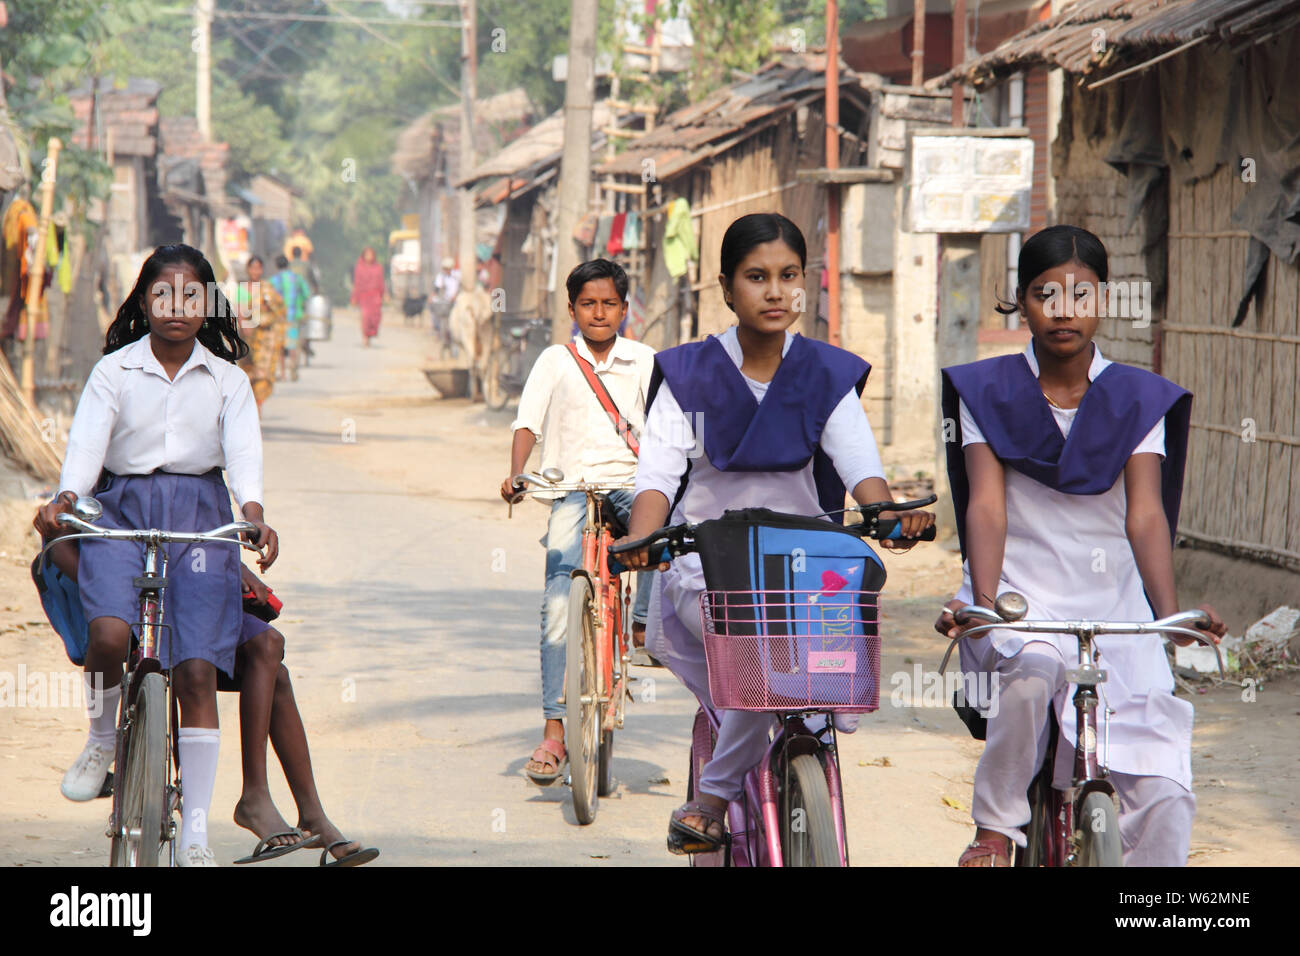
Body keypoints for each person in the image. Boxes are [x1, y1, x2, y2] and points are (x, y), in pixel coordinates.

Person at [616, 213, 932, 854]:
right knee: (760, 663)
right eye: (757, 277)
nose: (774, 291)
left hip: (804, 564)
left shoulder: (825, 373)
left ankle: (747, 796)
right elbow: (656, 478)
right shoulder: (690, 375)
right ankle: (713, 795)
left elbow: (861, 469)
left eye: (788, 276)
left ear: (804, 286)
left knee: (801, 655)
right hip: (709, 566)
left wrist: (890, 514)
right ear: (728, 289)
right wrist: (641, 542)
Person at [935, 224, 1226, 867]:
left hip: (1115, 606)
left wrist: (1169, 619)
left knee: (1165, 789)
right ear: (1020, 300)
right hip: (1020, 596)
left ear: (1104, 301)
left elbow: (1146, 517)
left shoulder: (1137, 397)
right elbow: (986, 504)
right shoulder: (989, 391)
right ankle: (995, 828)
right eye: (1045, 294)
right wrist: (981, 606)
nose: (1064, 310)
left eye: (1081, 294)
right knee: (1034, 676)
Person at [33, 243, 278, 868]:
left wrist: (251, 514)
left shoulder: (227, 381)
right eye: (163, 294)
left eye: (192, 294)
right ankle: (98, 739)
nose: (177, 306)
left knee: (196, 670)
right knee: (111, 636)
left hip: (201, 519)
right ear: (145, 301)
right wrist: (68, 496)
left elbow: (244, 457)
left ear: (208, 304)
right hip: (121, 513)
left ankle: (195, 832)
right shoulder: (114, 371)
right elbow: (87, 448)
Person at [499, 258, 657, 786]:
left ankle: (642, 628)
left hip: (628, 483)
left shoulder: (645, 361)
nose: (599, 312)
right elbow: (528, 423)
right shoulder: (554, 361)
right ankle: (552, 733)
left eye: (609, 303)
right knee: (559, 600)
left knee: (656, 533)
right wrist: (517, 473)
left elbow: (667, 429)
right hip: (569, 488)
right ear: (572, 309)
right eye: (588, 303)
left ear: (624, 308)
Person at [235, 255, 287, 411]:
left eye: (259, 268)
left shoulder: (267, 289)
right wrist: (245, 325)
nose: (256, 271)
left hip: (265, 338)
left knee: (263, 374)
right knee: (248, 372)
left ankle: (258, 405)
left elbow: (278, 310)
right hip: (247, 336)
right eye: (253, 267)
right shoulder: (242, 289)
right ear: (248, 269)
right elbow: (240, 310)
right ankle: (249, 405)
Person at [270, 254, 310, 381]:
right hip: (293, 316)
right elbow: (307, 294)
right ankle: (293, 370)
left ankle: (282, 373)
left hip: (278, 318)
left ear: (276, 266)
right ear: (288, 265)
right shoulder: (296, 279)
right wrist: (300, 304)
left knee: (280, 345)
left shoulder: (273, 281)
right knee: (293, 345)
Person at [351, 246, 385, 346]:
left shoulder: (378, 267)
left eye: (371, 254)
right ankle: (365, 337)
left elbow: (381, 282)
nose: (369, 257)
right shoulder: (359, 267)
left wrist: (385, 294)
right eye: (367, 255)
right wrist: (354, 297)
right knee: (365, 316)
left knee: (375, 317)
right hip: (364, 295)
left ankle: (370, 335)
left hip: (375, 295)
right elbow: (357, 283)